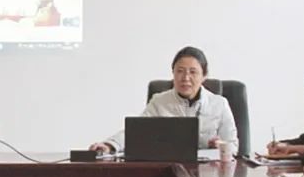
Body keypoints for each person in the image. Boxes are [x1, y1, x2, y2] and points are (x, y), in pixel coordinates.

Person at [90, 46, 239, 155]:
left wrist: (220, 146)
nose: (185, 78)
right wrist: (109, 145)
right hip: (169, 168)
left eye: (193, 72)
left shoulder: (219, 104)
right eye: (180, 71)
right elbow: (136, 133)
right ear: (173, 73)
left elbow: (233, 146)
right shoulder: (160, 101)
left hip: (208, 173)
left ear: (204, 76)